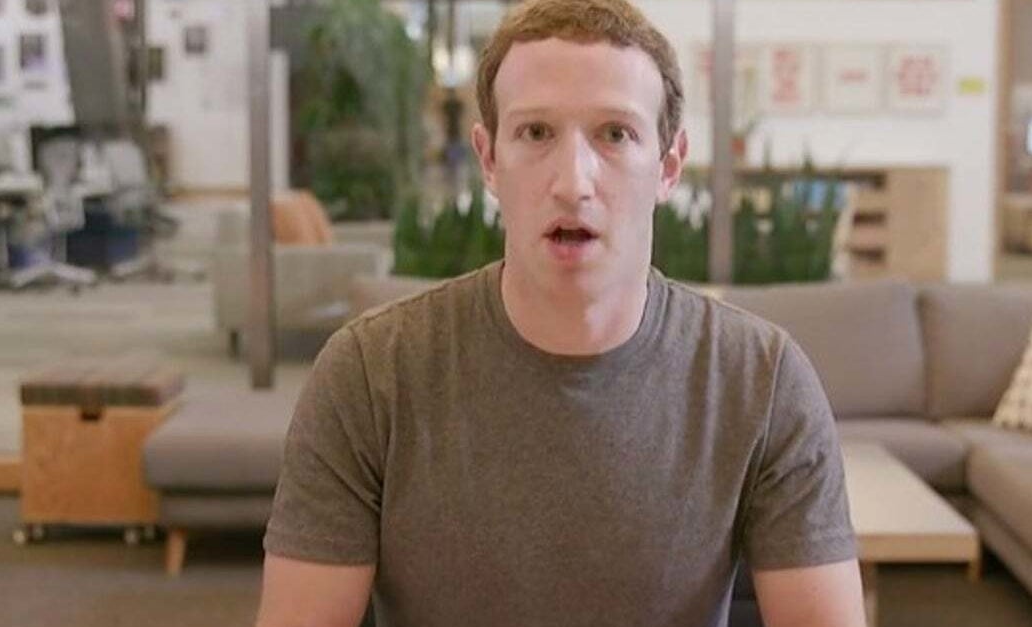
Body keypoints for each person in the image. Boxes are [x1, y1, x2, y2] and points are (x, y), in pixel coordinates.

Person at [256, 0, 865, 625]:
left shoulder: (763, 381)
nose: (573, 182)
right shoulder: (369, 374)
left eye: (615, 134)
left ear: (668, 166)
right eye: (536, 133)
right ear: (489, 159)